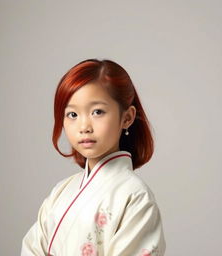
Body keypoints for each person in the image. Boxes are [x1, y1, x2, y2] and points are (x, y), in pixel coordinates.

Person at [21, 59, 166, 256]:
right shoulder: (60, 192)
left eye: (97, 112)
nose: (84, 127)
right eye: (72, 114)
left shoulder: (135, 196)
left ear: (127, 118)